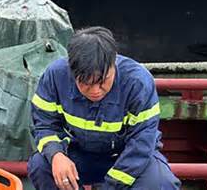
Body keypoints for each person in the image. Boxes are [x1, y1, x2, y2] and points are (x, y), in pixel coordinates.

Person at [28, 27, 180, 190]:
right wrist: (56, 154)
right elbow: (44, 125)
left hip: (127, 156)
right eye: (85, 83)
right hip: (78, 153)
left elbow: (142, 142)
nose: (95, 91)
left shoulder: (138, 83)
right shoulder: (55, 76)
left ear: (113, 63)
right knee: (40, 164)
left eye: (103, 81)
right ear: (71, 71)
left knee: (161, 183)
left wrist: (112, 186)